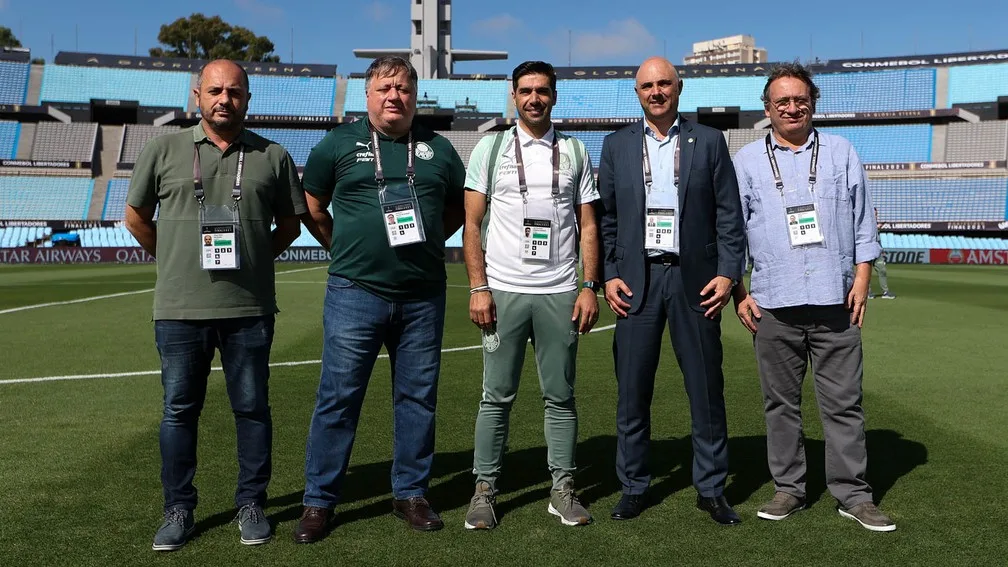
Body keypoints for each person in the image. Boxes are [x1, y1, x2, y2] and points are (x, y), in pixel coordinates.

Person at [124, 59, 306, 551]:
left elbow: (291, 223)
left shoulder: (272, 154)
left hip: (248, 308)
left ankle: (252, 503)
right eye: (215, 91)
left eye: (235, 92)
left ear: (248, 99)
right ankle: (178, 508)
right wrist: (174, 258)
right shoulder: (164, 148)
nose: (225, 99)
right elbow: (136, 217)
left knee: (251, 409)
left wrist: (254, 257)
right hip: (180, 308)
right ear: (197, 95)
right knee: (179, 411)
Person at [294, 55, 466, 543]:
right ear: (367, 95)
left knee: (417, 399)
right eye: (385, 88)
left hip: (422, 295)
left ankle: (410, 493)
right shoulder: (338, 144)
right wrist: (341, 246)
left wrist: (431, 238)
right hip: (355, 291)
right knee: (338, 398)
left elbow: (459, 208)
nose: (395, 96)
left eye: (404, 89)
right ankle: (319, 501)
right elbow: (312, 204)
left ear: (416, 97)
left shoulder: (438, 149)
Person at [731, 62, 895, 532]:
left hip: (834, 303)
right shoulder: (746, 162)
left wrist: (862, 279)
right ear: (768, 109)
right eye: (781, 101)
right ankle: (789, 488)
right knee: (780, 404)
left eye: (799, 99)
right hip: (773, 304)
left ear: (813, 103)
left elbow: (864, 223)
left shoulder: (843, 152)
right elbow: (732, 233)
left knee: (844, 404)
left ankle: (854, 495)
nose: (791, 107)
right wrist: (739, 291)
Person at [596, 56, 746, 525]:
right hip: (636, 282)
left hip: (695, 281)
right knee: (632, 393)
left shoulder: (709, 140)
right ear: (636, 93)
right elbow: (607, 219)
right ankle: (635, 486)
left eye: (664, 84)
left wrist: (728, 274)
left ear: (678, 88)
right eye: (647, 86)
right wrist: (609, 273)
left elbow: (728, 214)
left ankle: (711, 487)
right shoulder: (617, 145)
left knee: (705, 390)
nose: (656, 92)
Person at [462, 61, 601, 530]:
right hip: (503, 291)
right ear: (513, 96)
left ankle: (562, 488)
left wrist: (588, 286)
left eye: (542, 90)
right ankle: (484, 490)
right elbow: (472, 224)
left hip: (559, 290)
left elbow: (588, 225)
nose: (534, 98)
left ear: (554, 96)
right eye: (525, 91)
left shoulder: (576, 150)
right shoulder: (491, 147)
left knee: (560, 396)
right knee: (495, 397)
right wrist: (478, 288)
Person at [869, 208, 895, 299]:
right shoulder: (865, 225)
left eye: (876, 214)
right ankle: (867, 292)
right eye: (874, 214)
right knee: (866, 272)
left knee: (882, 270)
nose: (876, 216)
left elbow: (878, 239)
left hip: (877, 251)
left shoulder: (875, 225)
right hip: (868, 250)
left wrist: (881, 250)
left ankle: (886, 292)